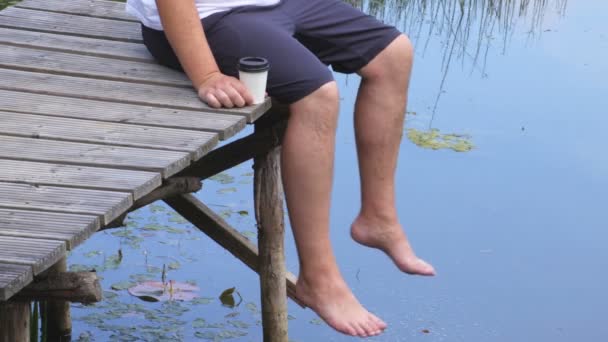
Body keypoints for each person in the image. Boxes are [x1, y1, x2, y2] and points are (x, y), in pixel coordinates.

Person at [126, 0, 435, 337]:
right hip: (206, 19)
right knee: (318, 95)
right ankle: (318, 278)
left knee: (394, 54)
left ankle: (379, 219)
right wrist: (208, 74)